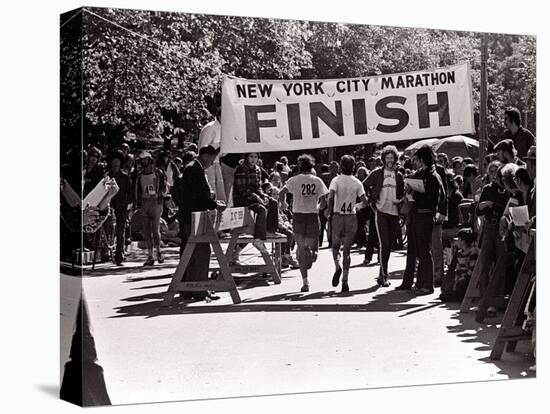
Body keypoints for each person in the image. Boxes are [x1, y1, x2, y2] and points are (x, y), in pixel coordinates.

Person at [172, 145, 226, 301]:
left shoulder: (192, 168)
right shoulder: (195, 169)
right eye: (212, 158)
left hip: (189, 216)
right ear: (206, 155)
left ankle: (187, 288)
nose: (212, 162)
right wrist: (215, 204)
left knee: (190, 252)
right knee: (201, 251)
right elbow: (200, 195)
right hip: (193, 217)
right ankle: (199, 289)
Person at [396, 145, 442, 295]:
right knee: (416, 250)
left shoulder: (433, 175)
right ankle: (419, 282)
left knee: (424, 251)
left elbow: (434, 198)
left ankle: (428, 284)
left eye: (418, 159)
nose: (416, 162)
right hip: (416, 215)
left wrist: (417, 193)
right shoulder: (422, 173)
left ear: (423, 159)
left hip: (425, 214)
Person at [279, 154, 329, 292]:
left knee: (302, 249)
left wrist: (283, 203)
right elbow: (325, 200)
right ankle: (309, 258)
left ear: (300, 167)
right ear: (312, 166)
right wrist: (319, 207)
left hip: (298, 216)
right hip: (312, 216)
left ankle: (305, 281)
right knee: (312, 252)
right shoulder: (317, 181)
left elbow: (281, 192)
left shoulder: (294, 180)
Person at [362, 145, 404, 287]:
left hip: (394, 213)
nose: (390, 161)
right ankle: (383, 275)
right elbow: (364, 185)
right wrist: (371, 201)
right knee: (384, 244)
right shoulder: (377, 173)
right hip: (380, 212)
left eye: (392, 158)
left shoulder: (398, 175)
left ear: (395, 159)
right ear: (384, 159)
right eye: (387, 158)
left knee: (388, 246)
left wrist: (400, 201)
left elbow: (402, 193)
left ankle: (382, 274)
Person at [326, 155, 368, 292]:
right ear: (354, 166)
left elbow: (331, 196)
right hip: (351, 216)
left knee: (336, 247)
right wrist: (357, 206)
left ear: (341, 166)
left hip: (338, 216)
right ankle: (345, 280)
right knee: (347, 251)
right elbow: (365, 201)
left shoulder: (336, 180)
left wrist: (329, 211)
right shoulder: (357, 182)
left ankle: (337, 266)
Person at [233, 152, 281, 254]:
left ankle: (270, 231)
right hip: (242, 198)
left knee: (273, 202)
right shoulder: (241, 168)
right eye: (251, 157)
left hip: (255, 196)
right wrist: (257, 198)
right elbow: (242, 189)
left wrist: (264, 196)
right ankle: (258, 239)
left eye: (255, 157)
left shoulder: (258, 169)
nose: (253, 159)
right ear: (247, 157)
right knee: (261, 209)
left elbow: (258, 187)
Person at [134, 151, 168, 266]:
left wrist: (158, 195)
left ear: (150, 160)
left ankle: (159, 252)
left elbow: (164, 187)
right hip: (144, 203)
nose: (143, 161)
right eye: (141, 159)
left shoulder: (158, 172)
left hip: (156, 203)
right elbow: (137, 191)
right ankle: (150, 256)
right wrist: (137, 205)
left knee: (155, 229)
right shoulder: (139, 175)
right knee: (146, 231)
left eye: (145, 159)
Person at [439, 228, 479, 302]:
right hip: (461, 277)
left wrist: (461, 279)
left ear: (463, 242)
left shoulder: (473, 252)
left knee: (460, 285)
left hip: (468, 278)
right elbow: (458, 269)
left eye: (459, 240)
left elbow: (471, 270)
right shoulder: (459, 253)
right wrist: (456, 280)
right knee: (447, 288)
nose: (457, 241)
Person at [108, 150, 133, 266]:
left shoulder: (125, 177)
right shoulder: (107, 176)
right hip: (109, 205)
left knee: (120, 230)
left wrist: (129, 205)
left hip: (122, 207)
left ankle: (119, 254)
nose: (115, 163)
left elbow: (130, 193)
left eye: (118, 160)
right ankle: (107, 253)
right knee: (109, 230)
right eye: (114, 160)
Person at [198, 109, 226, 202]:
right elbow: (203, 149)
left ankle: (221, 208)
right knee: (211, 186)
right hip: (207, 163)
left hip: (217, 162)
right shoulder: (210, 127)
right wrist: (218, 146)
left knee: (220, 187)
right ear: (220, 116)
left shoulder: (223, 128)